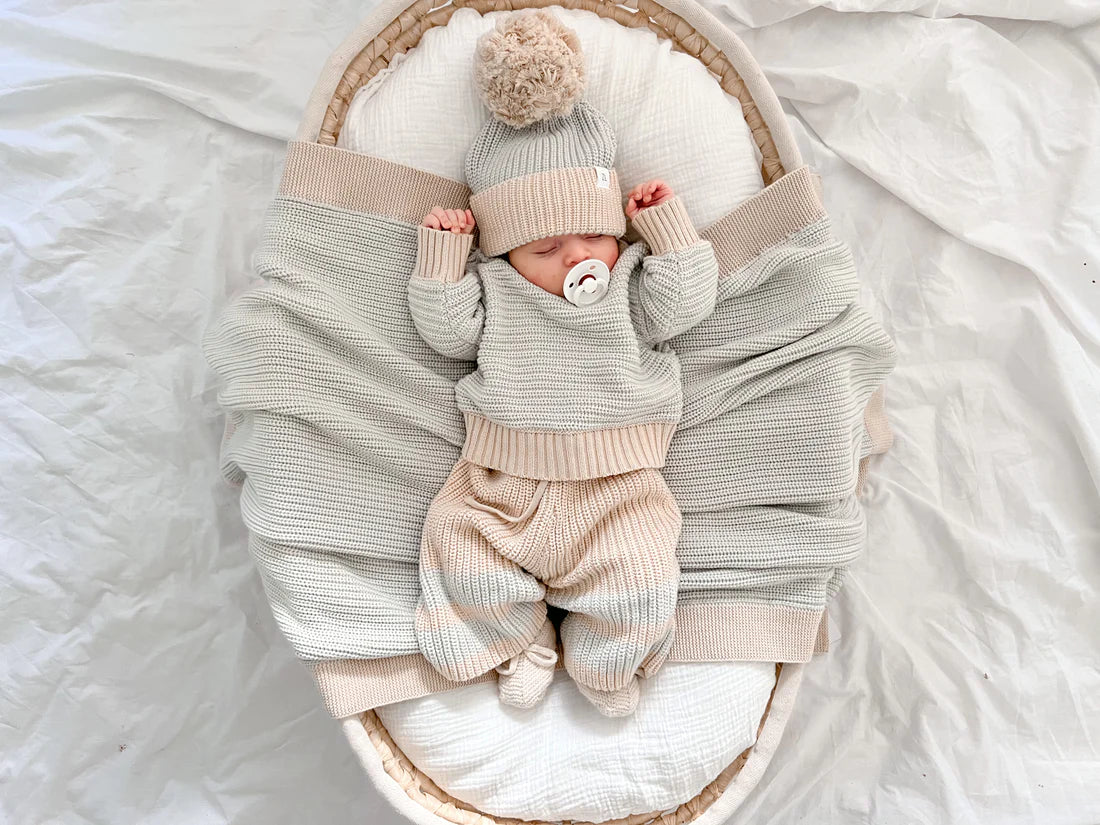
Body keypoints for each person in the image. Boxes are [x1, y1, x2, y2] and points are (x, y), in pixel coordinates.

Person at [408, 9, 720, 717]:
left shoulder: (628, 283)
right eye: (547, 249)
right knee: (457, 553)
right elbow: (448, 333)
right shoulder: (496, 288)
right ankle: (520, 642)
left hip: (619, 489)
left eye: (592, 236)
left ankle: (607, 661)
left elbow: (687, 303)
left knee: (641, 576)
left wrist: (666, 230)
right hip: (501, 487)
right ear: (508, 253)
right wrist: (444, 258)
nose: (578, 256)